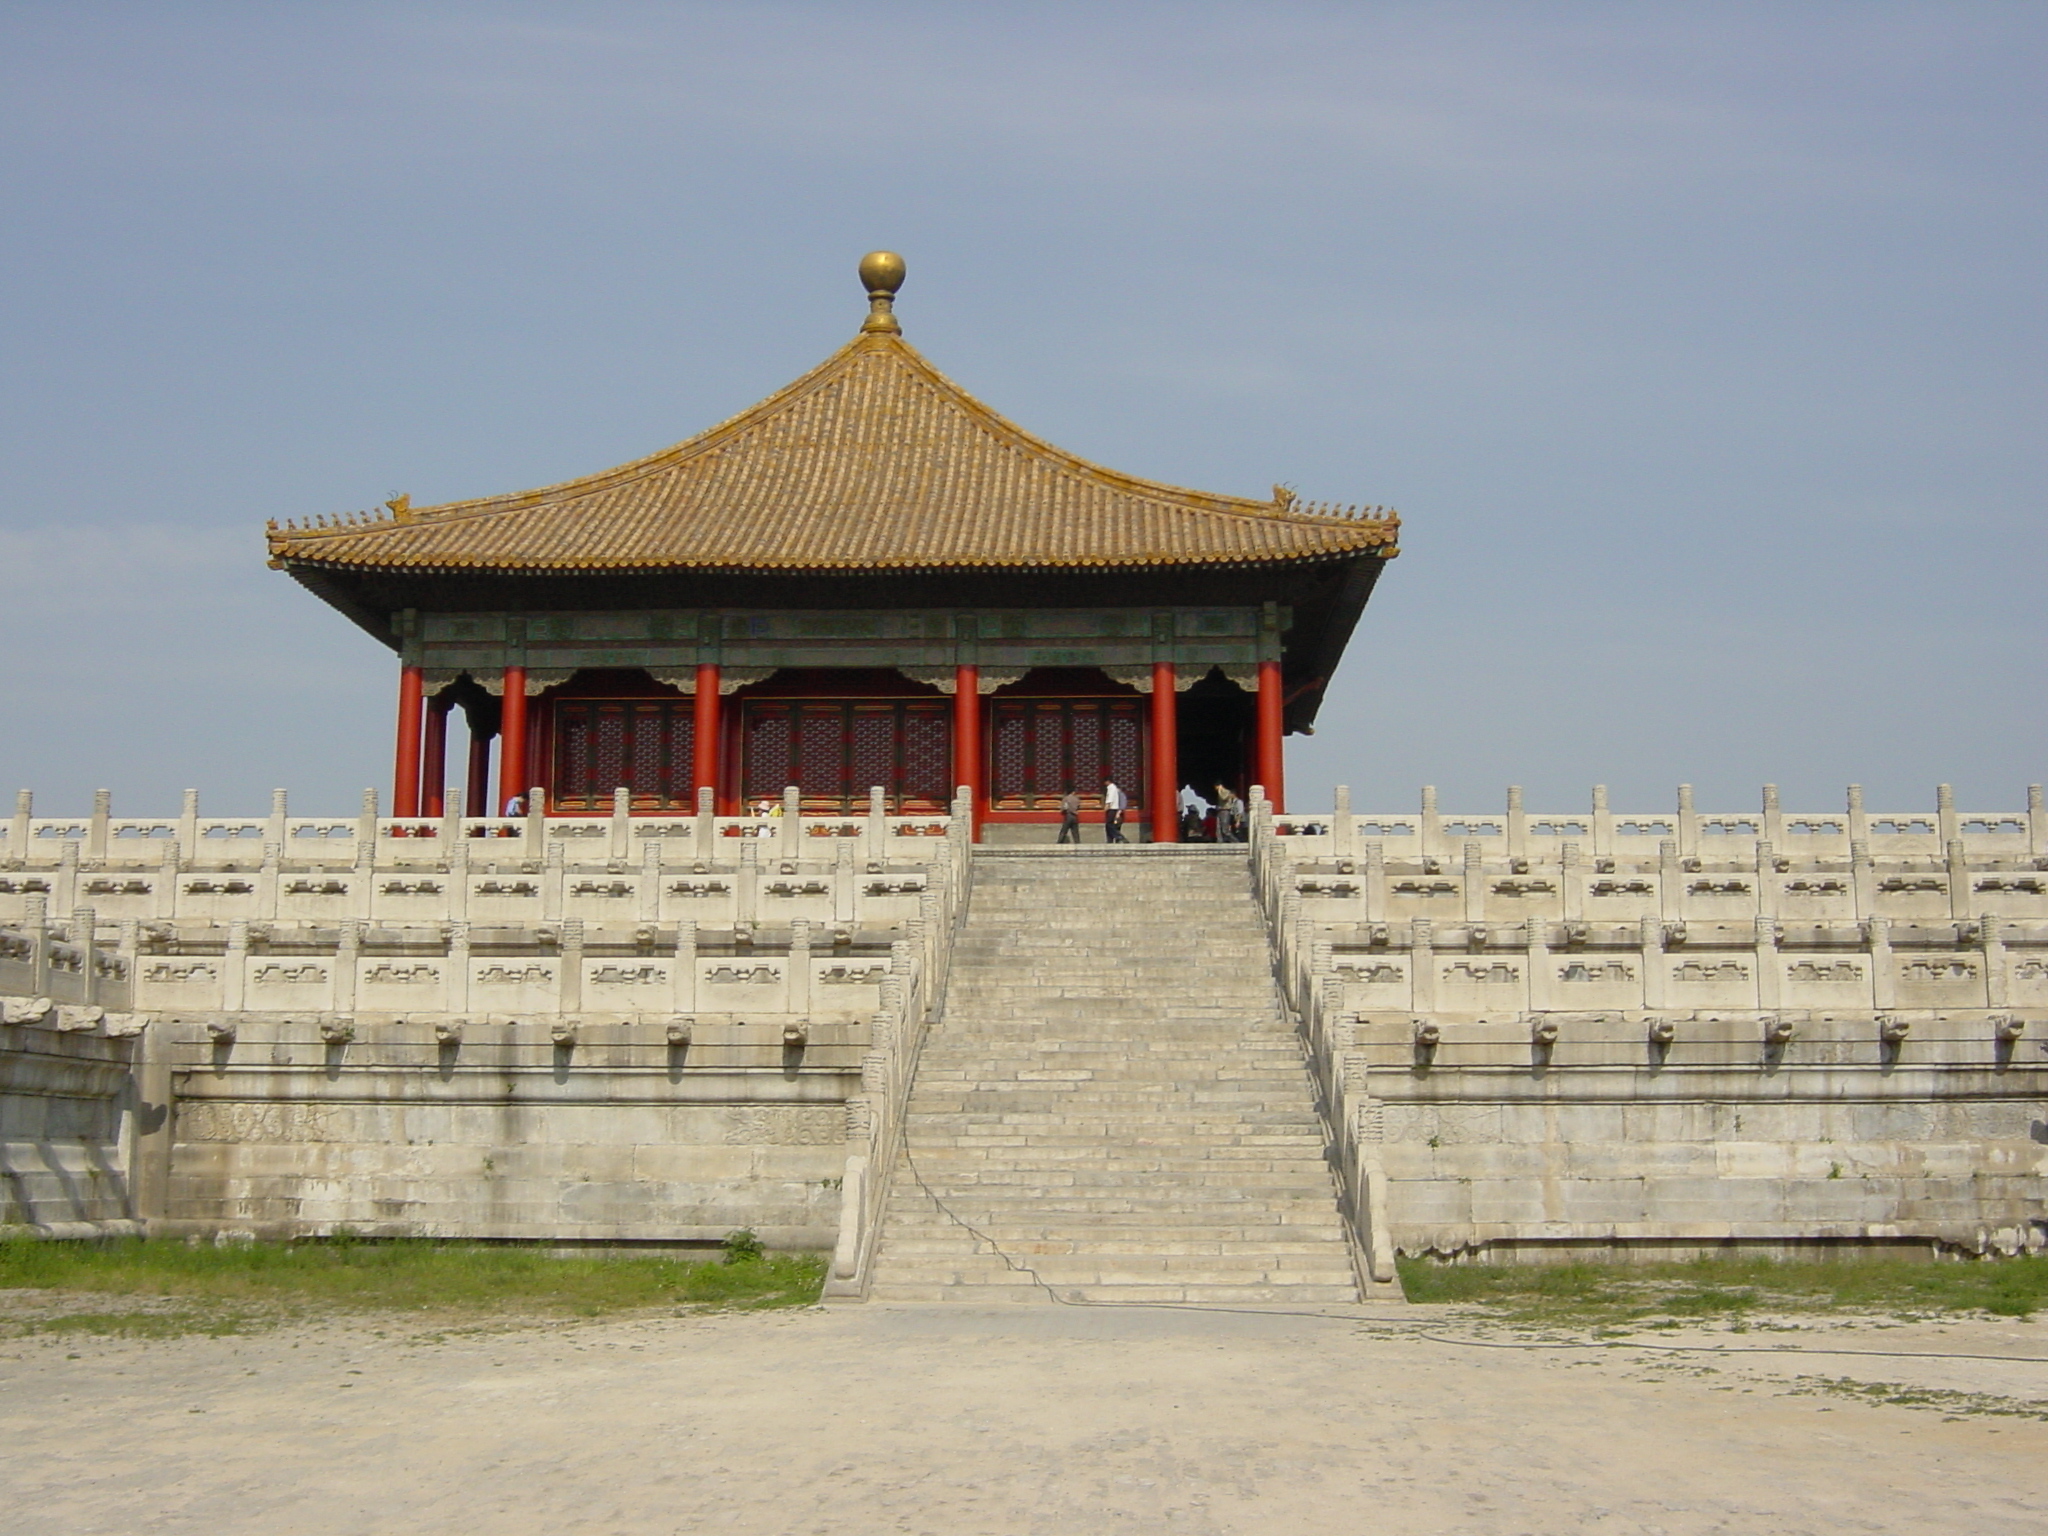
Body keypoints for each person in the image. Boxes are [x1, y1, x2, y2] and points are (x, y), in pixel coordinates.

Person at [1103, 780, 1128, 844]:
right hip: (1114, 810)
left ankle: (1120, 837)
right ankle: (1110, 840)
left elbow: (1122, 803)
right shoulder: (1114, 791)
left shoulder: (1117, 792)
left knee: (1111, 825)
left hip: (1116, 811)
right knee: (1109, 825)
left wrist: (1118, 813)